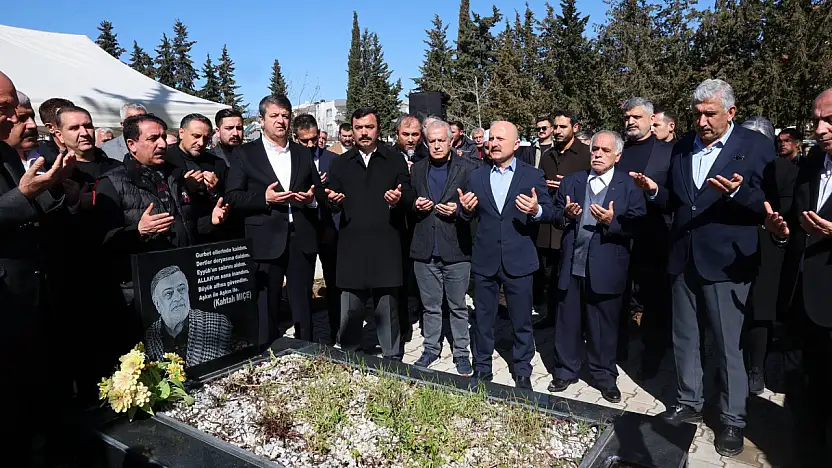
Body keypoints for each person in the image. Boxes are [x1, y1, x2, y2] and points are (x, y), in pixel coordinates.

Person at [629, 79, 775, 457]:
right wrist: (653, 191)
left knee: (728, 346)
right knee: (686, 338)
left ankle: (732, 419)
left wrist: (740, 193)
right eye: (697, 114)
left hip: (727, 261)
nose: (703, 121)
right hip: (683, 257)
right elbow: (679, 203)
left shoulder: (755, 146)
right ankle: (688, 403)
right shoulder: (682, 149)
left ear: (731, 112)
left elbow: (769, 205)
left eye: (710, 113)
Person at [0, 70, 76, 460]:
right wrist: (22, 195)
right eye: (5, 108)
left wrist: (53, 186)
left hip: (34, 296)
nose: (15, 118)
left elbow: (35, 210)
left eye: (15, 107)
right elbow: (16, 202)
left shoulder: (6, 153)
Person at [95, 113, 230, 322]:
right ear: (131, 144)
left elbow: (187, 223)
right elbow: (103, 241)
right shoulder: (112, 183)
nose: (161, 144)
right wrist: (138, 231)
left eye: (163, 137)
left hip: (183, 280)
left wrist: (210, 221)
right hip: (140, 289)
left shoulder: (177, 177)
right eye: (152, 139)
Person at [548, 130, 646, 402]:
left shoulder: (628, 186)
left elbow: (639, 225)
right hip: (572, 264)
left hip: (606, 268)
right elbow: (555, 215)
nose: (598, 155)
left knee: (603, 326)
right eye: (595, 150)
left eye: (605, 150)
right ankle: (565, 371)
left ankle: (604, 376)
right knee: (567, 322)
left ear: (618, 155)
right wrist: (565, 216)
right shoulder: (572, 182)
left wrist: (613, 222)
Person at [458, 121, 554, 389]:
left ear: (516, 144)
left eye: (501, 138)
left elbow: (552, 212)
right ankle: (482, 366)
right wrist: (464, 210)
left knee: (522, 321)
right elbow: (467, 212)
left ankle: (522, 369)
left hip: (519, 260)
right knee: (483, 319)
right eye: (491, 138)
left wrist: (536, 210)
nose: (494, 143)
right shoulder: (476, 176)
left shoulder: (532, 176)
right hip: (485, 259)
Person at [225, 95, 324, 343]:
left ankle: (307, 348)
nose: (281, 121)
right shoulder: (245, 154)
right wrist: (265, 199)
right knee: (266, 301)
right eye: (274, 116)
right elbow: (233, 196)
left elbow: (318, 192)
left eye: (285, 116)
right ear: (261, 120)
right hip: (265, 238)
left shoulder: (302, 152)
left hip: (300, 236)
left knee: (302, 299)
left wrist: (310, 200)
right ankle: (266, 349)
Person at [768, 87, 832, 467]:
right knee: (803, 399)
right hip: (799, 303)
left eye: (829, 120)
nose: (820, 128)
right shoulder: (810, 165)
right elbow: (800, 221)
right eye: (817, 119)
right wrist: (782, 229)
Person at [325, 107, 415, 361]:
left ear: (378, 129)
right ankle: (351, 355)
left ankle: (392, 356)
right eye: (359, 128)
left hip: (385, 243)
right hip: (351, 245)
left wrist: (398, 199)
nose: (364, 132)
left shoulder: (394, 160)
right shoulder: (340, 163)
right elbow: (330, 197)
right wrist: (332, 200)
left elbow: (408, 195)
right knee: (351, 308)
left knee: (387, 307)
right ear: (351, 130)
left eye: (369, 127)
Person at [410, 120, 480, 376]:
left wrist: (460, 210)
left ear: (452, 141)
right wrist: (414, 204)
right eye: (432, 141)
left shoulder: (468, 168)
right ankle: (431, 348)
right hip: (425, 249)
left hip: (456, 249)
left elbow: (477, 208)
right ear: (425, 143)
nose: (437, 145)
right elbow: (407, 201)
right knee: (430, 306)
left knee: (458, 306)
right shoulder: (417, 170)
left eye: (442, 140)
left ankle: (462, 353)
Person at [739, 116, 799, 395]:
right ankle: (732, 365)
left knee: (761, 312)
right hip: (736, 246)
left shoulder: (785, 170)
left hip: (769, 246)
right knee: (736, 310)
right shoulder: (735, 166)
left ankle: (757, 368)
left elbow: (787, 209)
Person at [616, 97, 673, 371]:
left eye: (636, 117)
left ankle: (653, 354)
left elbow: (676, 197)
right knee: (618, 293)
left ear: (652, 119)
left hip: (654, 235)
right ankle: (617, 348)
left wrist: (654, 191)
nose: (630, 122)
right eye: (627, 118)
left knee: (654, 298)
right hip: (619, 234)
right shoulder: (619, 151)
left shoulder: (670, 152)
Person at [533, 110, 592, 329]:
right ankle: (552, 316)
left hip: (575, 224)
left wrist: (569, 184)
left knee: (573, 274)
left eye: (562, 127)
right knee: (550, 274)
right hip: (549, 225)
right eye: (555, 127)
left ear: (575, 128)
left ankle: (579, 321)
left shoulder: (586, 154)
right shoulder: (548, 155)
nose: (557, 131)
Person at [293, 113, 341, 344]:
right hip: (303, 229)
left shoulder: (332, 159)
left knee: (334, 281)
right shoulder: (289, 159)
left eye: (314, 139)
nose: (311, 145)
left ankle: (337, 332)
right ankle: (305, 336)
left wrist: (329, 188)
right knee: (303, 285)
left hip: (329, 228)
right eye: (305, 141)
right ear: (295, 137)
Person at [145, 265, 233, 367]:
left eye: (181, 289)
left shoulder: (218, 324)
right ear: (157, 304)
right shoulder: (150, 336)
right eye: (169, 293)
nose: (178, 297)